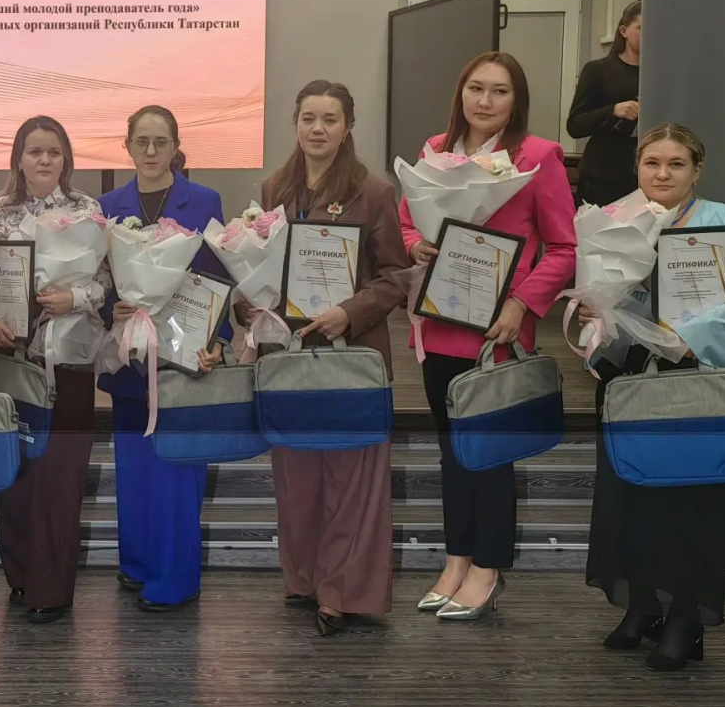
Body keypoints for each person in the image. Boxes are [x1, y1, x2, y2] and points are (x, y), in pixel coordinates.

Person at [400, 53, 577, 621]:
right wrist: (415, 245)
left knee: (490, 454)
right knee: (452, 452)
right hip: (441, 320)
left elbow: (564, 247)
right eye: (475, 88)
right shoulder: (436, 149)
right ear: (461, 93)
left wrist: (523, 303)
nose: (485, 100)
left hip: (498, 326)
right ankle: (456, 559)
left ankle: (488, 566)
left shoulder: (539, 156)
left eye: (500, 91)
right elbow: (407, 219)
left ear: (516, 100)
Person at [583, 124, 725, 671]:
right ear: (637, 166)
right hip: (631, 375)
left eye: (676, 164)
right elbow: (598, 292)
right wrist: (594, 310)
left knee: (693, 504)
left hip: (696, 373)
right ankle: (641, 604)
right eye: (651, 163)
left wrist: (690, 335)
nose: (662, 174)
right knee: (632, 495)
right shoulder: (612, 220)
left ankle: (686, 617)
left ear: (697, 170)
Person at [257, 82, 410, 635]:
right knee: (296, 474)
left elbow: (396, 275)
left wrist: (350, 311)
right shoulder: (275, 187)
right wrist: (254, 308)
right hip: (292, 351)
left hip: (353, 352)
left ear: (348, 127)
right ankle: (303, 578)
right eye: (308, 118)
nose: (317, 129)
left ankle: (342, 592)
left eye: (329, 119)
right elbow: (259, 265)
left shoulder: (374, 191)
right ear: (295, 124)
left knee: (352, 477)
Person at [98, 105, 228, 613]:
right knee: (133, 470)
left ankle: (174, 579)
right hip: (130, 358)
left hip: (185, 355)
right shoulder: (108, 205)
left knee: (176, 469)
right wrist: (112, 307)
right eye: (142, 142)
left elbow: (220, 273)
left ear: (176, 147)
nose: (151, 151)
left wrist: (218, 339)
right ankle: (137, 563)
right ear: (127, 146)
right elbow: (98, 279)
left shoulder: (205, 200)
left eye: (161, 142)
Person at [0, 116, 108, 624]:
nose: (43, 160)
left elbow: (106, 282)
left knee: (60, 475)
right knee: (15, 474)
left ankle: (50, 587)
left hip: (70, 359)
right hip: (11, 358)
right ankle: (20, 573)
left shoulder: (87, 210)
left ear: (66, 159)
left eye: (53, 152)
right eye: (34, 151)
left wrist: (73, 297)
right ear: (18, 158)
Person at [567, 1, 642, 207]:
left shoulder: (660, 74)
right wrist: (613, 111)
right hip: (603, 175)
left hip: (646, 173)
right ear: (624, 31)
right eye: (641, 28)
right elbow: (575, 124)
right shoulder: (598, 70)